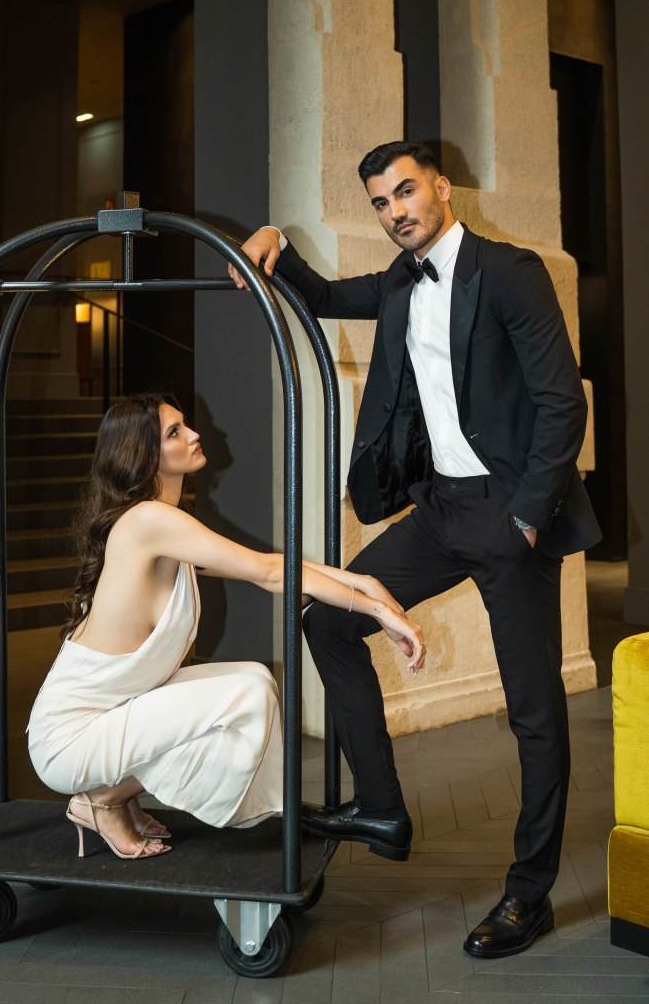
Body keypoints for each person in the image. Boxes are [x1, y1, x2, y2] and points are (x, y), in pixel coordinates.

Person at [228, 140, 601, 958]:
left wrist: (525, 518)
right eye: (379, 201)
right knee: (328, 617)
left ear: (441, 186)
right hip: (439, 512)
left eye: (404, 191)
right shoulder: (401, 281)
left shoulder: (510, 272)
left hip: (508, 516)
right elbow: (323, 295)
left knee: (533, 712)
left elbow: (560, 404)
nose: (394, 210)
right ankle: (382, 806)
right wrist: (272, 242)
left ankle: (528, 892)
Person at [27, 393, 424, 862]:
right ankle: (105, 799)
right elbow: (270, 573)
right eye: (175, 432)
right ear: (144, 454)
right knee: (246, 698)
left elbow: (271, 564)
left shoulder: (161, 524)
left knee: (254, 678)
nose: (195, 434)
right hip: (70, 741)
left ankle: (117, 796)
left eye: (185, 425)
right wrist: (376, 611)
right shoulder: (149, 521)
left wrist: (363, 583)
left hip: (113, 716)